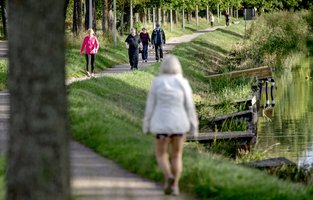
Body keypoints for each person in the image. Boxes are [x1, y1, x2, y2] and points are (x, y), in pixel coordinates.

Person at [143, 54, 198, 196]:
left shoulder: (157, 82)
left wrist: (146, 125)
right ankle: (175, 186)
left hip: (161, 125)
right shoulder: (183, 82)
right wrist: (193, 127)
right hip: (180, 125)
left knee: (161, 155)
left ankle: (168, 176)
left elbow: (150, 106)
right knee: (176, 156)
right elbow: (189, 106)